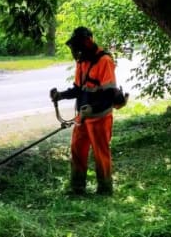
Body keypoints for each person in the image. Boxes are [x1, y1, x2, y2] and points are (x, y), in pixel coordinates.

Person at [50, 26, 128, 195]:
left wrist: (93, 108)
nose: (76, 52)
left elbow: (108, 94)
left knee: (101, 153)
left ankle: (105, 189)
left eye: (78, 47)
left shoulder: (104, 61)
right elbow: (78, 89)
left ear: (88, 42)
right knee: (77, 150)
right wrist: (60, 95)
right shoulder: (82, 61)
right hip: (83, 117)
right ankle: (77, 188)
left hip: (100, 117)